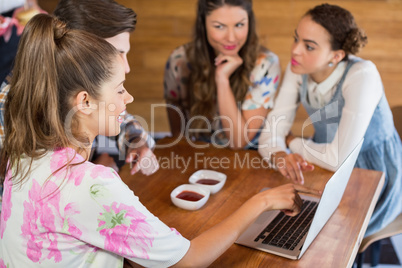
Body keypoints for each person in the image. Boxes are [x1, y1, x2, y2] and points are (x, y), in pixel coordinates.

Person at [0, 14, 319, 267]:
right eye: (120, 89)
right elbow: (190, 258)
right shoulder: (92, 185)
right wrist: (262, 201)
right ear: (84, 102)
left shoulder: (25, 151)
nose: (129, 97)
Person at [258, 3, 402, 237]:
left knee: (328, 235)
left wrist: (292, 142)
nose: (295, 51)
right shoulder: (298, 68)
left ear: (336, 56)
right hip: (322, 161)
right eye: (296, 39)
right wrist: (279, 154)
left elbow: (338, 159)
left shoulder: (362, 75)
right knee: (286, 224)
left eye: (309, 46)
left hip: (373, 174)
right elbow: (270, 133)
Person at [0, 0, 158, 176]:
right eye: (117, 53)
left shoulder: (78, 78)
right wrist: (92, 174)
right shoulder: (12, 103)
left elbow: (114, 112)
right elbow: (20, 190)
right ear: (76, 48)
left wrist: (136, 140)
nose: (127, 67)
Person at [164, 0, 281, 149]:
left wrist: (222, 79)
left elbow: (238, 142)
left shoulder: (266, 63)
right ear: (203, 24)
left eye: (239, 25)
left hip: (251, 156)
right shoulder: (179, 61)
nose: (231, 38)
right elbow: (179, 139)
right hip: (199, 153)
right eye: (219, 26)